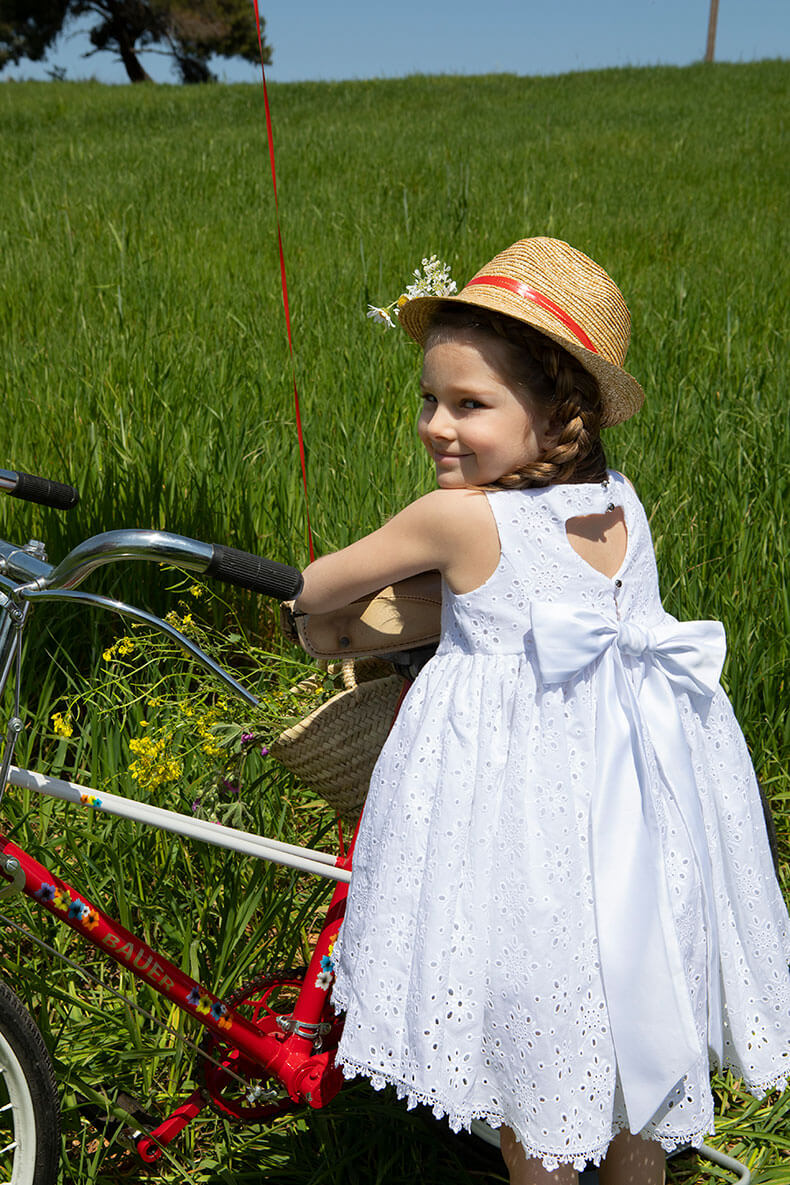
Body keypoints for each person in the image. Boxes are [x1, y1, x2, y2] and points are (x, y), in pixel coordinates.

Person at [294, 238, 790, 1183]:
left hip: (518, 823)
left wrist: (340, 624)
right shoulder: (623, 502)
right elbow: (544, 605)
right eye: (430, 401)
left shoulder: (455, 519)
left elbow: (316, 590)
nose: (438, 426)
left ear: (557, 409)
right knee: (630, 1008)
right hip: (644, 811)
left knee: (528, 1022)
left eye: (470, 405)